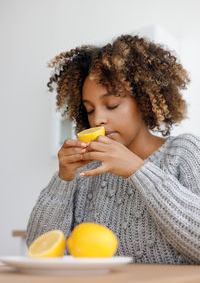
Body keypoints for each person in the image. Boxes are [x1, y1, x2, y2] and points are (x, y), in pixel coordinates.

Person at [26, 34, 200, 264]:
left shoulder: (184, 153)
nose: (97, 118)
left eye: (112, 105)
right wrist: (63, 180)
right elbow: (40, 250)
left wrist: (138, 170)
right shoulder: (85, 169)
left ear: (144, 101)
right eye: (89, 110)